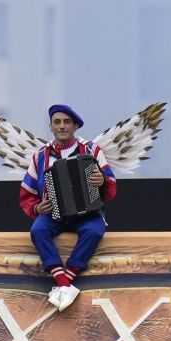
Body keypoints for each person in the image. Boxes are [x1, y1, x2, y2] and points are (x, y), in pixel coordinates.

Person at [19, 104, 117, 311]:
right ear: (51, 127)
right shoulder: (39, 156)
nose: (62, 126)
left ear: (75, 126)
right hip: (54, 214)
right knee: (38, 230)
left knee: (94, 230)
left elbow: (111, 187)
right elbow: (27, 194)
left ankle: (66, 279)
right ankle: (63, 282)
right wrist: (37, 209)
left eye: (66, 122)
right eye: (57, 122)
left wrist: (102, 182)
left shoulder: (91, 150)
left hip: (87, 213)